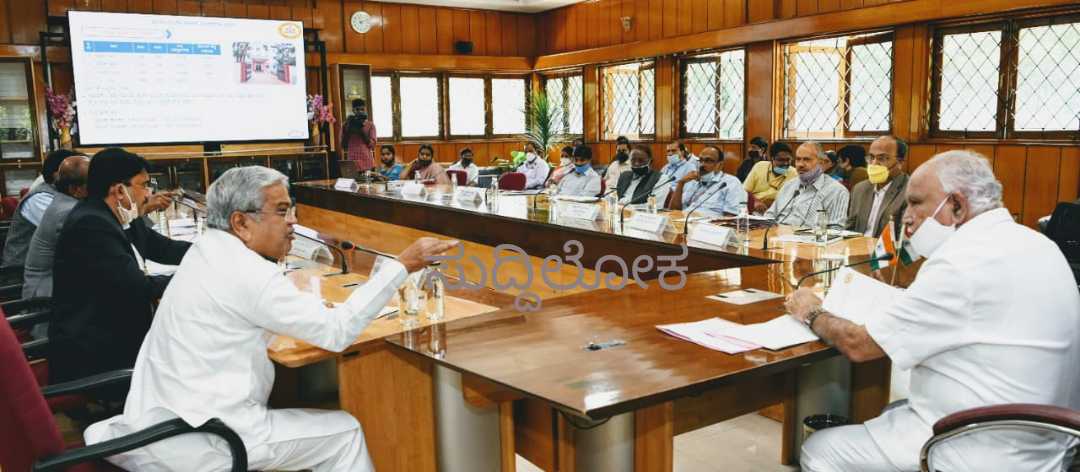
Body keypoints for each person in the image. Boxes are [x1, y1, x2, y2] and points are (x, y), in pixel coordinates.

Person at [84, 166, 459, 472]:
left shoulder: (207, 250)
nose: (293, 221)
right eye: (281, 211)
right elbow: (338, 331)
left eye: (292, 210)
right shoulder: (248, 273)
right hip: (203, 440)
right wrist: (402, 265)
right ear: (241, 223)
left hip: (158, 423)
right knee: (345, 433)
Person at [790, 150, 1080, 472]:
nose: (906, 217)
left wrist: (811, 311)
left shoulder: (961, 261)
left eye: (915, 203)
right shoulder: (1038, 243)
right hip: (1049, 440)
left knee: (820, 449)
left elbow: (859, 345)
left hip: (979, 443)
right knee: (890, 412)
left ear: (957, 205)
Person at [49, 148, 192, 385]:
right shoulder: (91, 224)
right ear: (119, 190)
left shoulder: (120, 215)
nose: (148, 193)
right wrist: (197, 276)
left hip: (116, 334)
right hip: (97, 354)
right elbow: (140, 288)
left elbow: (163, 248)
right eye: (144, 185)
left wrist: (211, 252)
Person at [1, 149, 86, 269]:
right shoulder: (40, 198)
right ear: (58, 174)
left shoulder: (65, 193)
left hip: (55, 265)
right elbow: (74, 230)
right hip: (20, 270)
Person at [22, 155, 90, 299]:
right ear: (75, 189)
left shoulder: (66, 201)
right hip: (45, 294)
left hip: (59, 283)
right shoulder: (67, 211)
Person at [764, 141, 849, 227]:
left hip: (808, 235)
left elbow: (836, 229)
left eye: (807, 159)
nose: (800, 164)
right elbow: (769, 216)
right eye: (798, 159)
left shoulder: (837, 191)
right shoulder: (788, 186)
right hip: (776, 233)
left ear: (821, 162)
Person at [847, 136, 910, 237]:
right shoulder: (859, 189)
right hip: (858, 244)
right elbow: (849, 230)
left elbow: (903, 238)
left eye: (882, 158)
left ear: (900, 162)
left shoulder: (910, 192)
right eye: (871, 157)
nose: (874, 163)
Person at [669, 146, 746, 216]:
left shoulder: (730, 183)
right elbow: (673, 210)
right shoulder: (693, 181)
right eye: (700, 160)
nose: (702, 165)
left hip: (708, 224)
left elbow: (731, 217)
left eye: (708, 161)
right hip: (683, 221)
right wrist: (681, 183)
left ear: (720, 165)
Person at [743, 142, 798, 214]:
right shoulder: (759, 167)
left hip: (779, 212)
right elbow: (744, 191)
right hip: (754, 209)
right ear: (772, 158)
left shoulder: (794, 174)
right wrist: (756, 202)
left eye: (788, 160)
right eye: (780, 160)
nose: (785, 163)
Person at [339, 99, 377, 172]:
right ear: (353, 110)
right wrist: (348, 130)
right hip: (353, 162)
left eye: (362, 109)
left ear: (365, 110)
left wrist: (361, 131)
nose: (360, 111)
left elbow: (372, 145)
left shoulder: (370, 125)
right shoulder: (346, 125)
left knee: (368, 179)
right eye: (357, 109)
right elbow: (343, 145)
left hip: (367, 162)